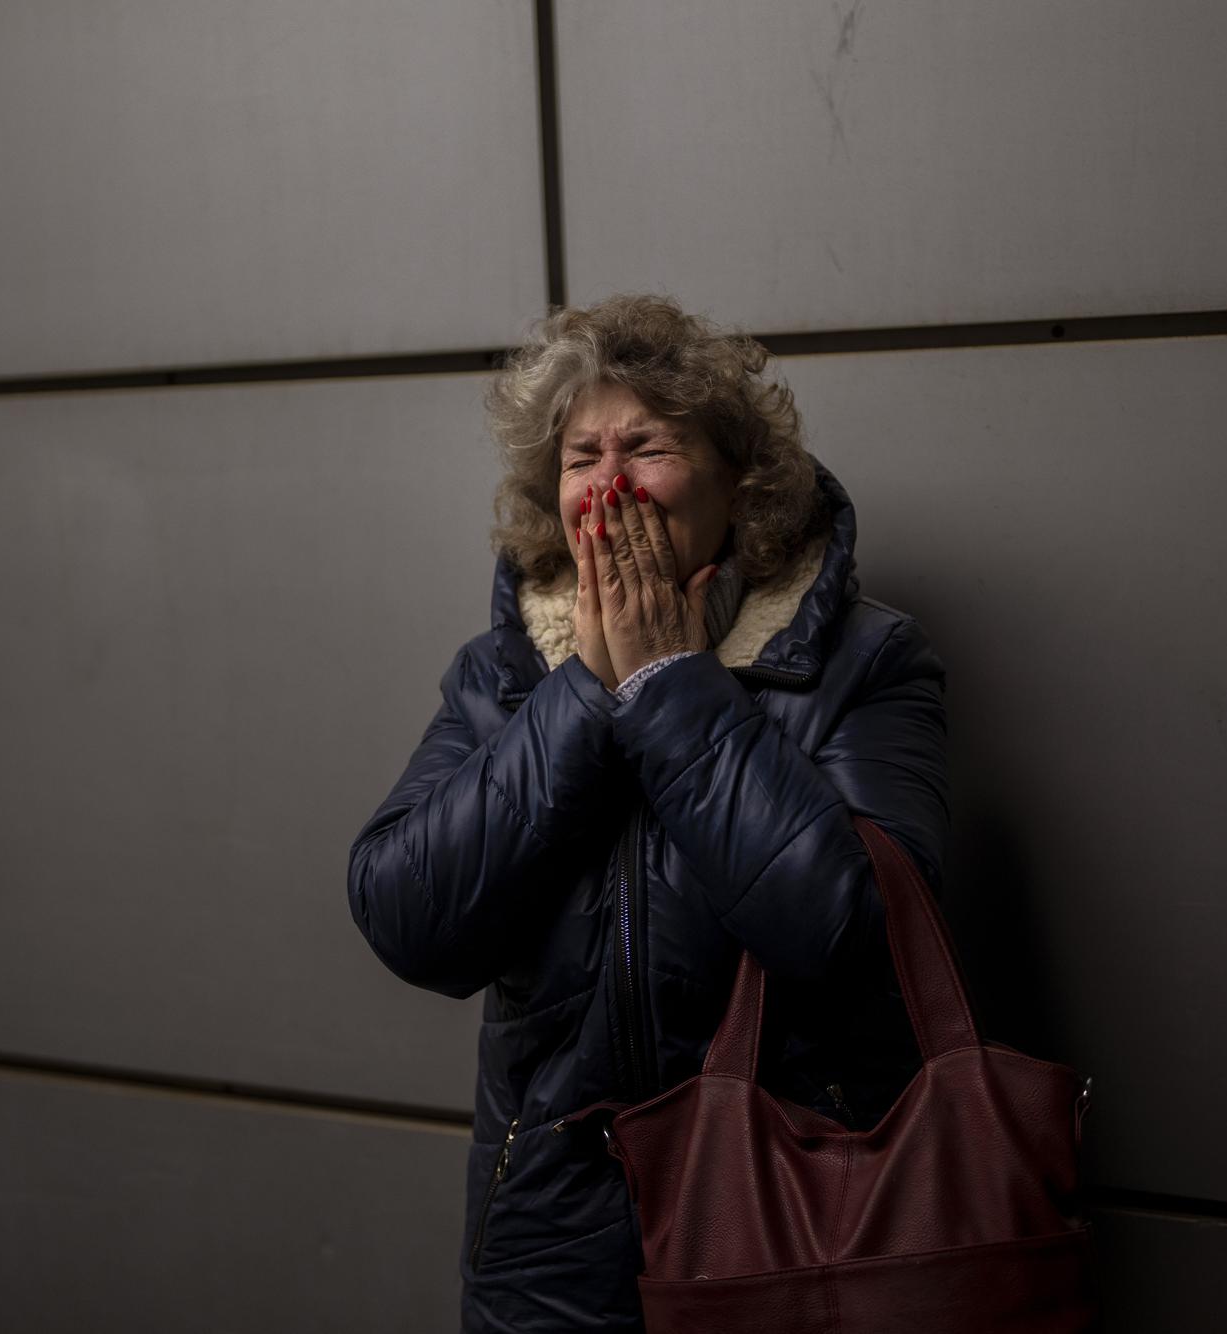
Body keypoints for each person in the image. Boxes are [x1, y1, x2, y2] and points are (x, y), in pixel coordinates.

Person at [346, 293, 951, 1331]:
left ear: (738, 479)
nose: (610, 483)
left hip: (793, 1235)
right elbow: (406, 917)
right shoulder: (498, 678)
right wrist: (583, 688)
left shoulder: (864, 665)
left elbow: (853, 936)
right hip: (547, 1260)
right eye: (582, 456)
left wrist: (670, 681)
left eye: (647, 447)